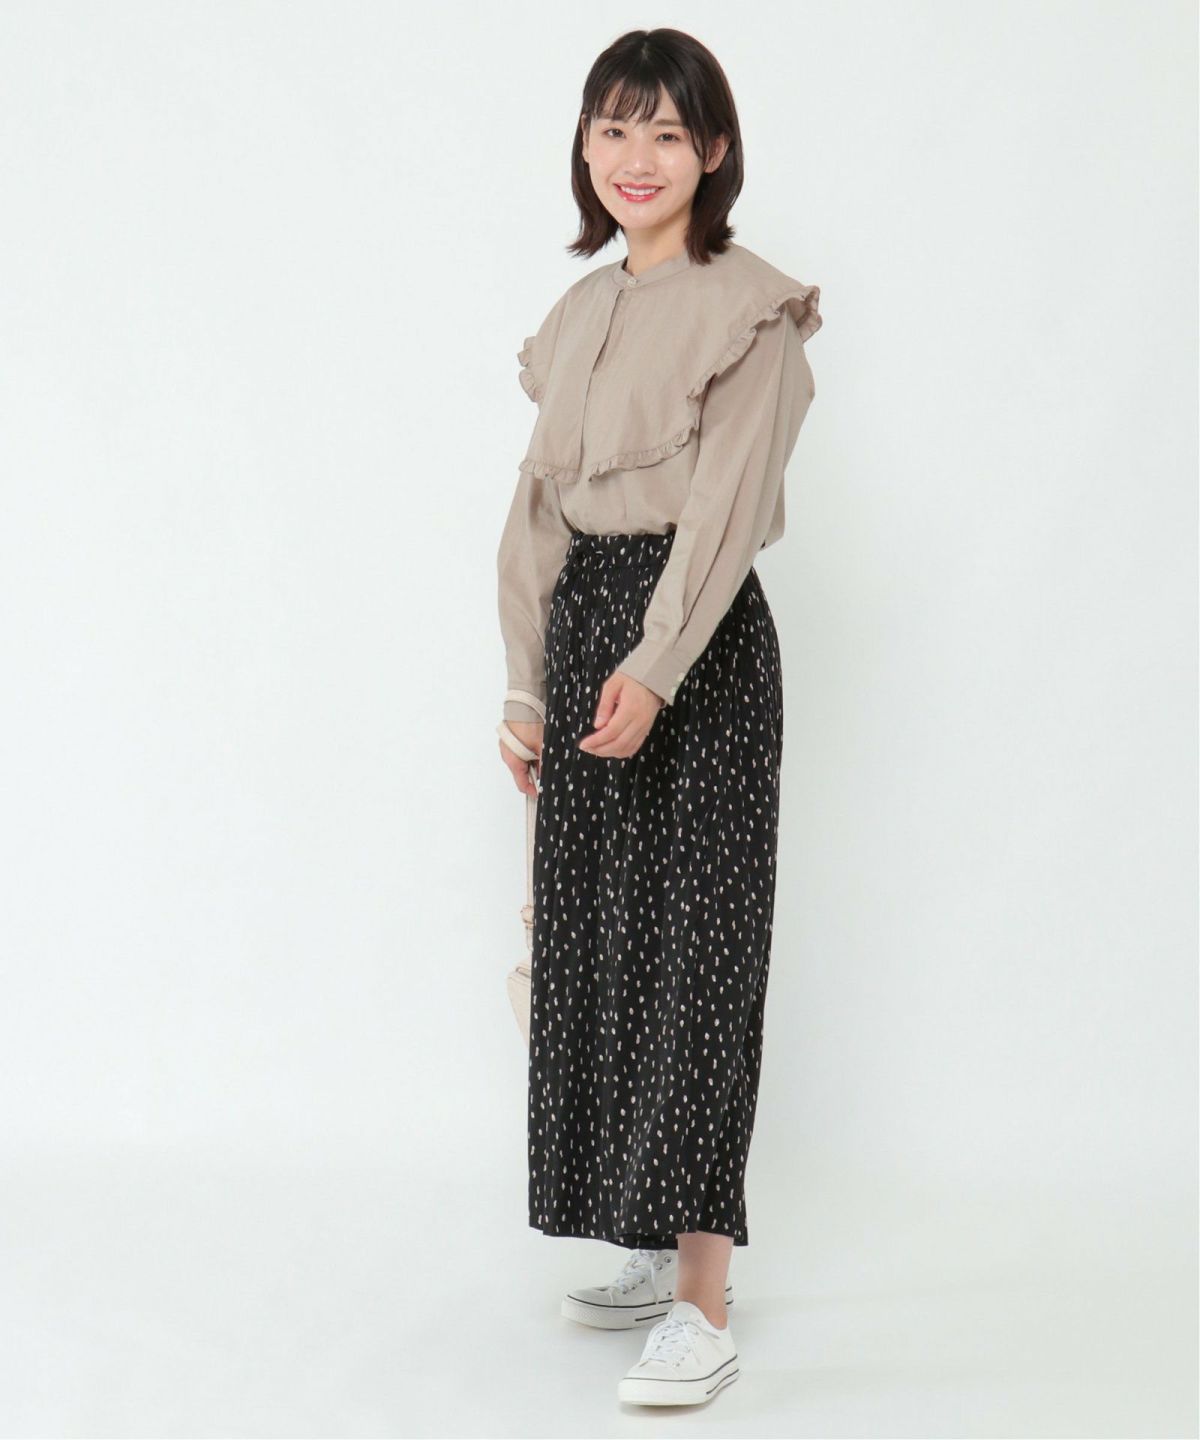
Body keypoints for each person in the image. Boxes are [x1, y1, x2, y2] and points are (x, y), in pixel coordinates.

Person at [495, 27, 822, 1408]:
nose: (637, 158)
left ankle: (703, 1298)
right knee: (597, 944)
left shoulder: (752, 308)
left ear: (715, 151)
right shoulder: (576, 314)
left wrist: (658, 664)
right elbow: (535, 512)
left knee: (699, 950)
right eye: (614, 128)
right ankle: (642, 1235)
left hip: (699, 649)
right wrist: (528, 680)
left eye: (668, 133)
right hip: (586, 637)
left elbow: (726, 515)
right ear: (584, 144)